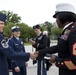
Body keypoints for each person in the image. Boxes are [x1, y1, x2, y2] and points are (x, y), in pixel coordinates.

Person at [36, 3, 76, 75]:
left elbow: (74, 63)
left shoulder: (73, 32)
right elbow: (59, 47)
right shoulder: (68, 30)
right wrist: (40, 52)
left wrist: (56, 60)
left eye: (57, 17)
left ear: (63, 16)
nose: (56, 20)